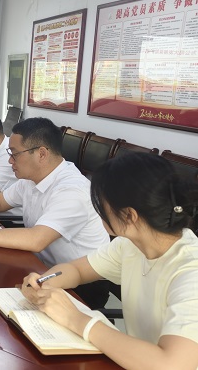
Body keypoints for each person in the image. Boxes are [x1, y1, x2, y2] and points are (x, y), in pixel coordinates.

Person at [22, 153, 198, 369]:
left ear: (129, 216)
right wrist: (44, 283)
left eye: (101, 204)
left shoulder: (191, 272)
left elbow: (172, 364)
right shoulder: (130, 245)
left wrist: (75, 319)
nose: (98, 212)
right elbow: (77, 270)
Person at [0, 117, 110, 308]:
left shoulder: (72, 190)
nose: (10, 160)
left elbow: (36, 240)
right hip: (39, 268)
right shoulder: (32, 178)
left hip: (81, 285)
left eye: (14, 154)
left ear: (42, 154)